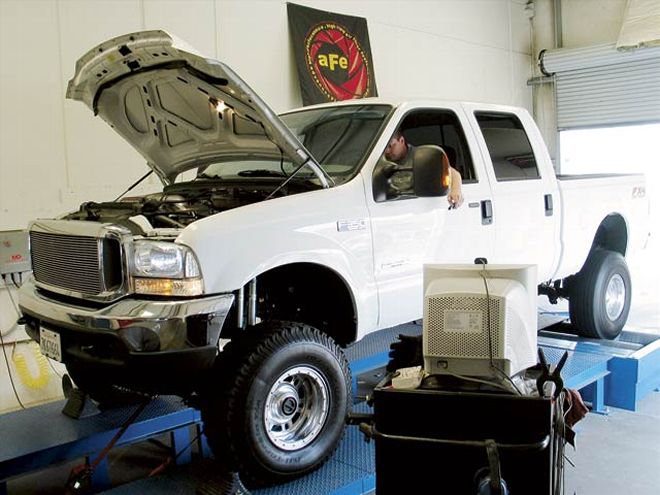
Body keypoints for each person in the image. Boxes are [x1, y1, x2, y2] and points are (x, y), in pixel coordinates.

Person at [383, 131, 464, 207]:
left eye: (390, 146)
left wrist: (455, 191)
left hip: (418, 206)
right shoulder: (380, 160)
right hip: (390, 205)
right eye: (384, 148)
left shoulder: (421, 157)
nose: (386, 151)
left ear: (401, 140)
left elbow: (453, 173)